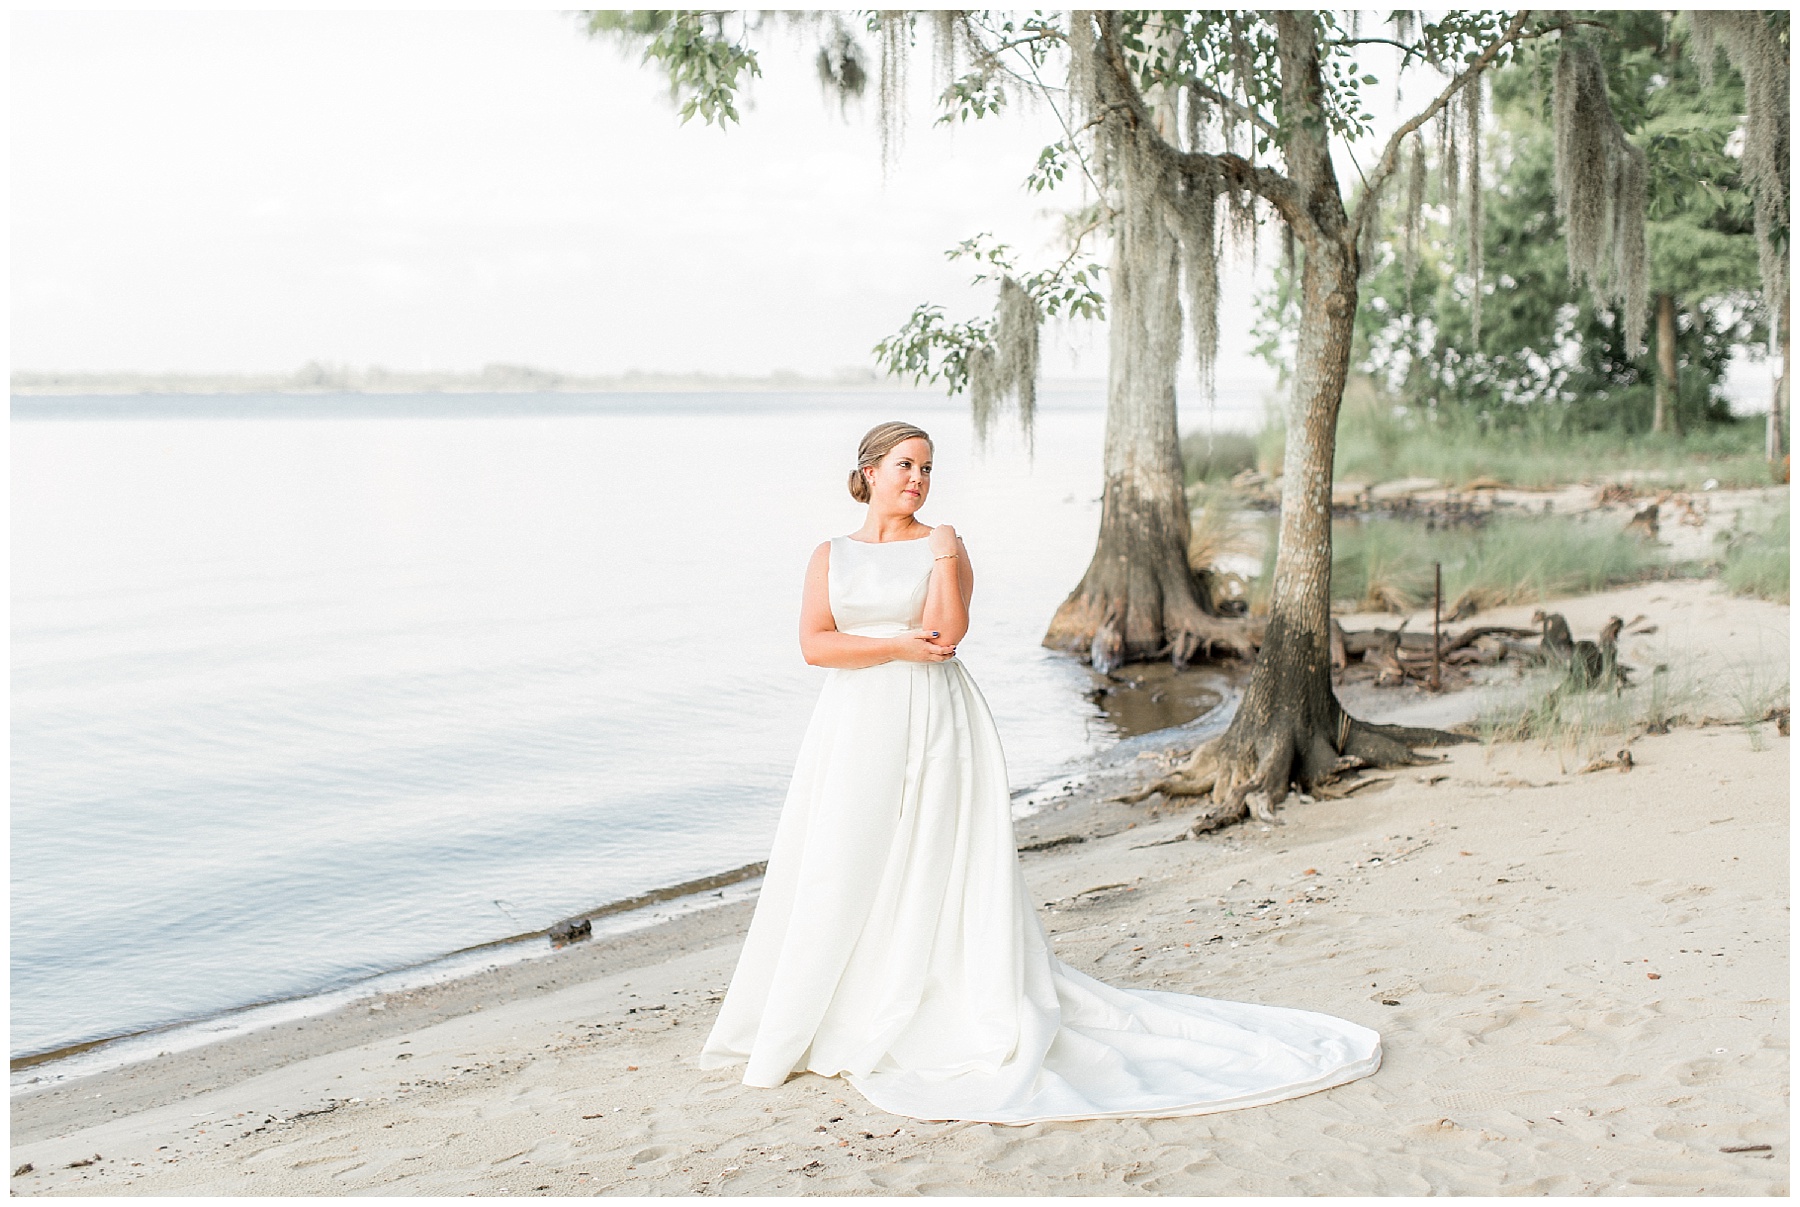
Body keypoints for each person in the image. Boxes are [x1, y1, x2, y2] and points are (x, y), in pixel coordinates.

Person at [699, 420, 1380, 1124]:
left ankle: (920, 993)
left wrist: (940, 562)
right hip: (851, 724)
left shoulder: (944, 545)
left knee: (929, 857)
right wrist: (892, 643)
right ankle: (824, 1005)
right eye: (905, 465)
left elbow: (944, 636)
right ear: (869, 470)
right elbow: (815, 644)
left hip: (933, 717)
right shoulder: (829, 554)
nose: (918, 479)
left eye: (928, 468)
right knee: (841, 857)